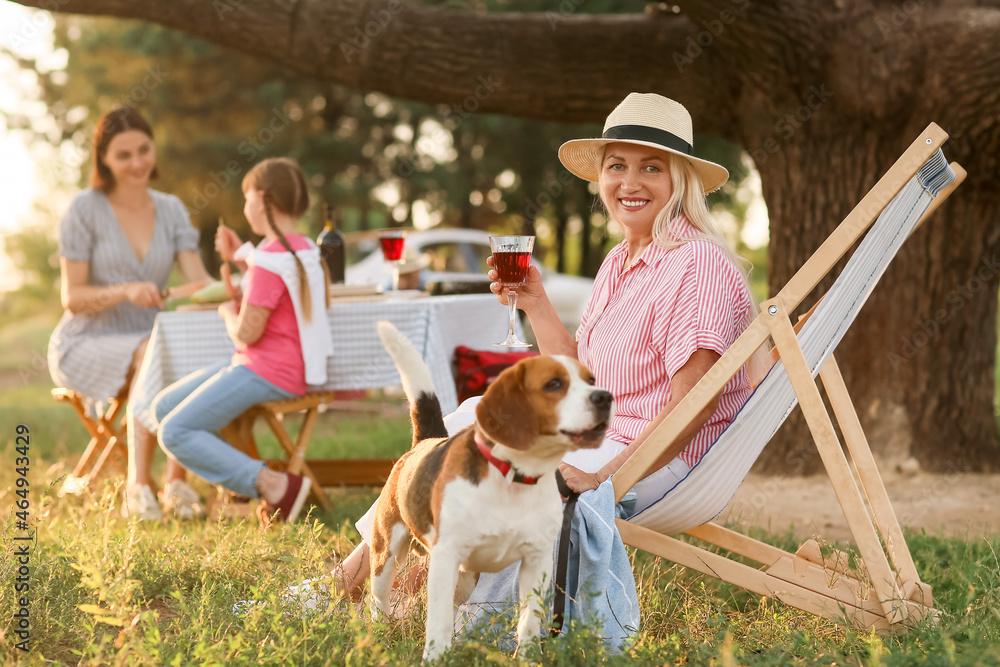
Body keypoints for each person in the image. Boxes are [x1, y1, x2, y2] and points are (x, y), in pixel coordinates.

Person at [327, 92, 765, 604]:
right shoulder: (620, 260)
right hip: (599, 435)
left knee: (493, 461)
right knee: (464, 421)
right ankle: (356, 582)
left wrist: (601, 479)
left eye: (651, 167)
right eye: (617, 165)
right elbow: (584, 373)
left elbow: (694, 405)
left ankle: (403, 596)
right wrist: (535, 302)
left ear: (680, 181)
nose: (629, 182)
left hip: (653, 457)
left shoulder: (698, 263)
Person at [48, 106, 211, 520]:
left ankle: (176, 482)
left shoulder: (171, 209)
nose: (137, 162)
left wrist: (236, 278)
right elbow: (73, 297)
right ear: (104, 159)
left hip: (153, 338)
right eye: (124, 155)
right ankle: (138, 487)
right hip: (87, 341)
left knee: (177, 346)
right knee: (152, 351)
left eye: (143, 150)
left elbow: (199, 285)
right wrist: (124, 291)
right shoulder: (84, 209)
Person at [153, 157, 333, 525]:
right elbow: (272, 287)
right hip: (282, 367)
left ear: (265, 199)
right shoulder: (304, 248)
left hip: (268, 371)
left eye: (247, 197)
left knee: (173, 431)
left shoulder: (269, 259)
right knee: (164, 405)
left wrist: (225, 313)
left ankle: (272, 485)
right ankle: (246, 478)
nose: (244, 206)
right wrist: (239, 257)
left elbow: (246, 332)